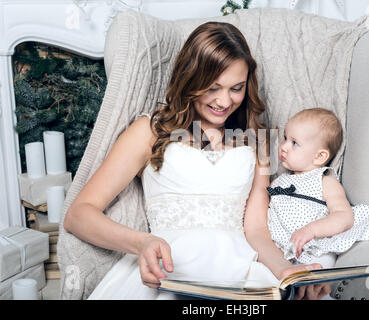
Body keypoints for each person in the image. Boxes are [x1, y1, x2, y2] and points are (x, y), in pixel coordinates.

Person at [63, 21, 330, 300]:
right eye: (213, 88)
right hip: (169, 270)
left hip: (239, 273)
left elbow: (256, 230)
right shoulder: (150, 131)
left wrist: (286, 270)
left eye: (236, 88)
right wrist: (142, 242)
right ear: (191, 80)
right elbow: (78, 214)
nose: (225, 101)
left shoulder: (256, 140)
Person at [267, 108, 369, 269]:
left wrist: (311, 230)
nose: (283, 147)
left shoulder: (325, 182)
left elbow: (344, 216)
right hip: (280, 251)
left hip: (315, 249)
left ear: (319, 156)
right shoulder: (278, 182)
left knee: (319, 273)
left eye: (294, 143)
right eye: (285, 138)